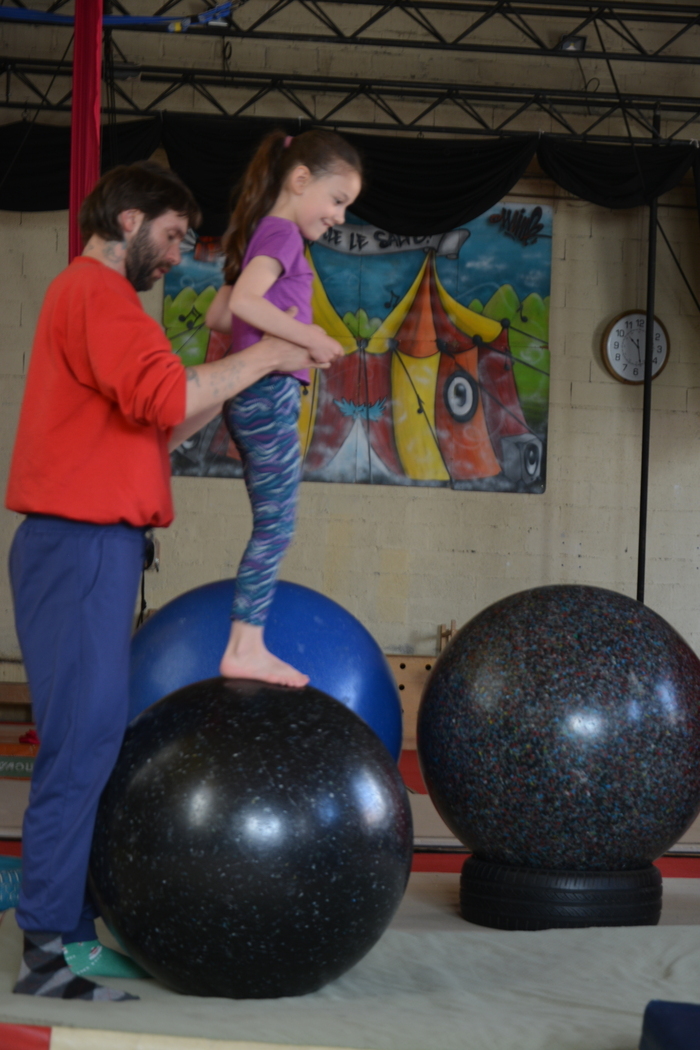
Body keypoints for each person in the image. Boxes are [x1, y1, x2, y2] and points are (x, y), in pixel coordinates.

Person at [4, 161, 328, 1002]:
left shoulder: (104, 305)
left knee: (95, 742)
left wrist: (239, 363)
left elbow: (165, 420)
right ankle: (46, 954)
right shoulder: (98, 296)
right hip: (78, 546)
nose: (180, 257)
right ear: (129, 220)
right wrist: (266, 357)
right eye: (175, 237)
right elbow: (162, 395)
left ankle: (70, 935)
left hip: (100, 549)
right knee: (80, 747)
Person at [205, 129, 362, 688]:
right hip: (266, 395)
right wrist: (307, 337)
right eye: (338, 200)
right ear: (300, 181)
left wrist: (296, 336)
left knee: (274, 523)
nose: (341, 216)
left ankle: (246, 643)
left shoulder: (264, 234)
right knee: (277, 526)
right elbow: (246, 302)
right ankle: (245, 646)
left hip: (259, 395)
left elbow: (222, 316)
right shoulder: (283, 236)